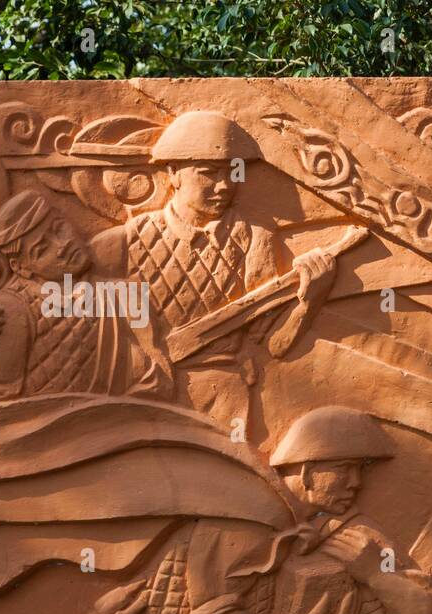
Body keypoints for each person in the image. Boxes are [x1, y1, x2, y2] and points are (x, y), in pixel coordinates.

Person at [23, 406, 432, 614]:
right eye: (345, 468)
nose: (356, 482)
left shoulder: (344, 532)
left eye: (362, 470)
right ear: (306, 469)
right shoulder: (246, 518)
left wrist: (375, 576)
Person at [88, 111, 335, 430]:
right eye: (209, 174)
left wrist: (310, 300)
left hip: (224, 395)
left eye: (233, 174)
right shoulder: (122, 243)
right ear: (173, 173)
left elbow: (271, 344)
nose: (224, 187)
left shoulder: (254, 239)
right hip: (140, 395)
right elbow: (62, 302)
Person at [0, 189, 170, 401]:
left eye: (60, 229)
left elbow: (160, 381)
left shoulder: (124, 296)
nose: (62, 245)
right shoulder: (11, 310)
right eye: (42, 249)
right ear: (21, 268)